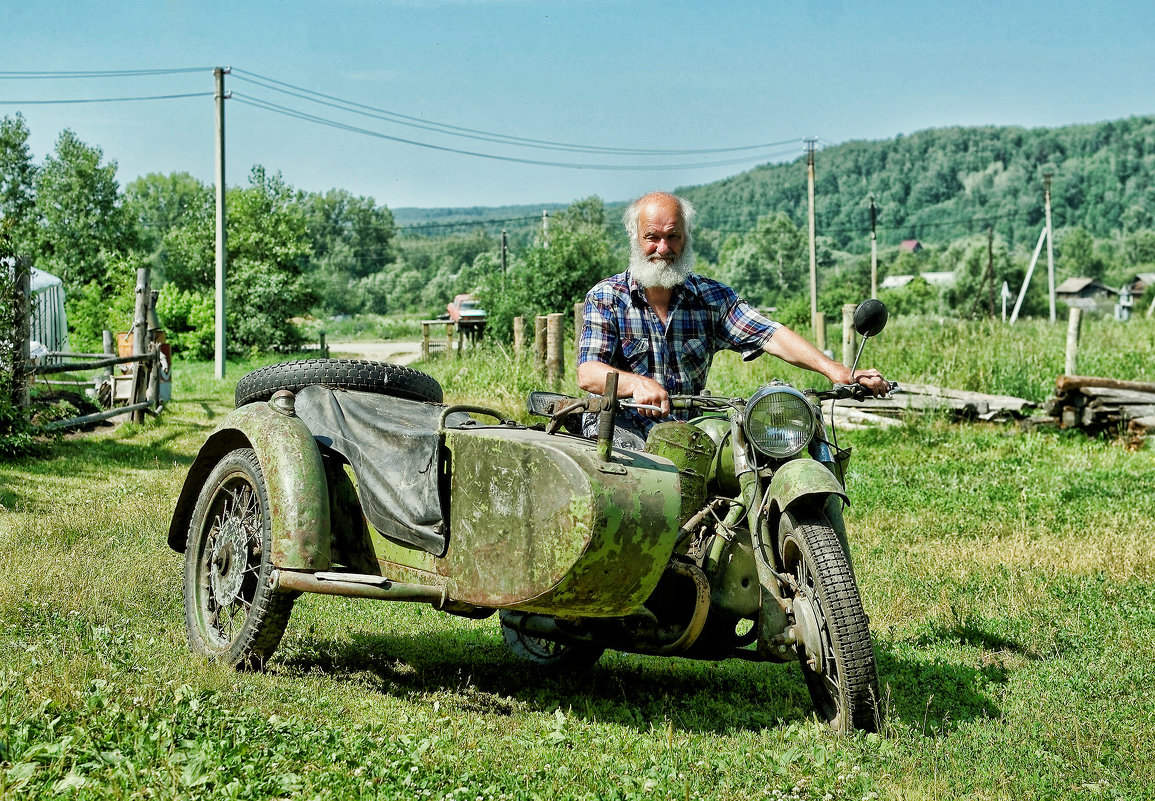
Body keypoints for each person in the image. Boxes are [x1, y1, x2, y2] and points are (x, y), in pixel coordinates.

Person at [577, 191, 889, 441]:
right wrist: (637, 384)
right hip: (622, 432)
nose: (663, 247)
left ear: (686, 237)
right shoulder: (607, 297)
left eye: (673, 236)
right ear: (635, 238)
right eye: (652, 237)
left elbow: (771, 334)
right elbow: (588, 373)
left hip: (689, 433)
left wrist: (836, 370)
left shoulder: (711, 298)